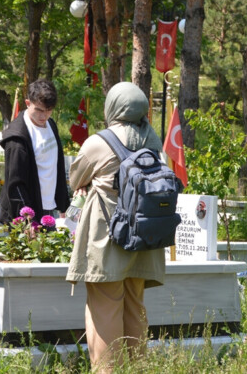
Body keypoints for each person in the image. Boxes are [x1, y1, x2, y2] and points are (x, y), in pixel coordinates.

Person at [66, 82, 166, 372]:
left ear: (113, 107)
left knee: (105, 309)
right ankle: (135, 369)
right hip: (144, 237)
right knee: (135, 307)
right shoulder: (153, 139)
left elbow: (75, 178)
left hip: (108, 238)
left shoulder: (100, 142)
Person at [0, 78, 69, 225]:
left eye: (49, 111)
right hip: (24, 213)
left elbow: (57, 164)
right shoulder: (17, 138)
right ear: (28, 103)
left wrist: (64, 205)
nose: (44, 116)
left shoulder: (50, 124)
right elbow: (15, 184)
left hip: (48, 207)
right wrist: (27, 221)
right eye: (39, 110)